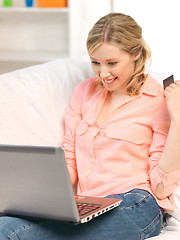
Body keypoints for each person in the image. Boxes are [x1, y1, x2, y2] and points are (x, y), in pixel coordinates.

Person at [0, 12, 180, 240]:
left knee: (15, 235)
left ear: (135, 54)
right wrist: (38, 197)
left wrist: (178, 120)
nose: (103, 73)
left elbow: (162, 188)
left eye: (112, 63)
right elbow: (70, 163)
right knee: (4, 226)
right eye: (95, 62)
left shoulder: (157, 99)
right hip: (88, 205)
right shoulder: (84, 92)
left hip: (136, 204)